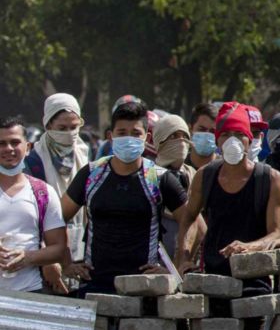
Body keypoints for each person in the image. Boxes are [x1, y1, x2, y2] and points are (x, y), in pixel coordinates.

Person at [59, 100, 188, 296]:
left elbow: (195, 223)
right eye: (122, 133)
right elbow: (57, 219)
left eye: (136, 133)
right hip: (95, 285)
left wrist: (174, 269)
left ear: (147, 137)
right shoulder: (92, 174)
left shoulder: (160, 178)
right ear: (110, 137)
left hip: (144, 289)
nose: (129, 138)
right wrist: (66, 262)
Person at [173, 104, 280, 296]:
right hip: (212, 282)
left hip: (255, 283)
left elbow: (275, 233)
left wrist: (248, 247)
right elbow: (189, 217)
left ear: (248, 140)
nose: (232, 141)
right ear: (218, 141)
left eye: (238, 134)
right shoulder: (205, 176)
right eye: (225, 135)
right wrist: (184, 258)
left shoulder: (269, 178)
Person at [24, 93, 89, 287]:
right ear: (48, 126)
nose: (69, 133)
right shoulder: (34, 162)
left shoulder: (84, 156)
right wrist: (50, 260)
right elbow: (35, 215)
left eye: (74, 127)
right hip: (47, 254)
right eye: (62, 128)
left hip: (80, 251)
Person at [0, 116, 69, 294]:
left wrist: (28, 258)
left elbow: (59, 248)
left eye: (15, 142)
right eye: (2, 143)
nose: (8, 149)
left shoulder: (43, 192)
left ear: (28, 147)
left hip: (31, 292)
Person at [151, 114, 196, 263]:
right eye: (174, 136)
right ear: (160, 140)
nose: (181, 142)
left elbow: (199, 226)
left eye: (185, 136)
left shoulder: (194, 176)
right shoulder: (149, 176)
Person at [188, 103, 218, 170]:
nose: (207, 135)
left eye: (212, 131)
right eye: (202, 129)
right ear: (190, 130)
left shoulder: (224, 170)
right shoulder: (179, 167)